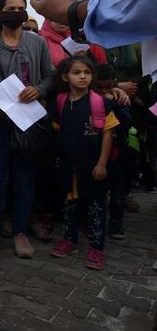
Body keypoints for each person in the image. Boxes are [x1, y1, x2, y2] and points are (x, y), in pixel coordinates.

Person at [0, 0, 55, 259]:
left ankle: (21, 231)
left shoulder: (37, 42)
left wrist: (39, 89)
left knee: (24, 178)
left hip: (28, 122)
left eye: (21, 9)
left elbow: (51, 74)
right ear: (0, 13)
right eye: (11, 9)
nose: (17, 13)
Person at [47, 56, 119, 270]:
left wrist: (102, 164)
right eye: (77, 73)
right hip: (69, 165)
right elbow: (56, 128)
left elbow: (108, 133)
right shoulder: (60, 101)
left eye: (87, 73)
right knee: (69, 204)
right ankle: (70, 240)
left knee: (95, 206)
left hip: (93, 165)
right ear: (65, 76)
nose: (82, 77)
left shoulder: (101, 102)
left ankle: (97, 249)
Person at [95, 64, 134, 241]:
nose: (104, 91)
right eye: (99, 87)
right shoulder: (89, 100)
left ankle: (116, 224)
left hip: (119, 152)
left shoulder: (120, 100)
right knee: (98, 191)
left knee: (118, 193)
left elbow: (126, 123)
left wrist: (112, 103)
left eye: (108, 87)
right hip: (97, 153)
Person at [39, 20, 108, 67]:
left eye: (63, 17)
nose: (61, 21)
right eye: (55, 18)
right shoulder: (39, 38)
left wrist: (85, 59)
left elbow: (101, 67)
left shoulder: (81, 38)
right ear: (48, 18)